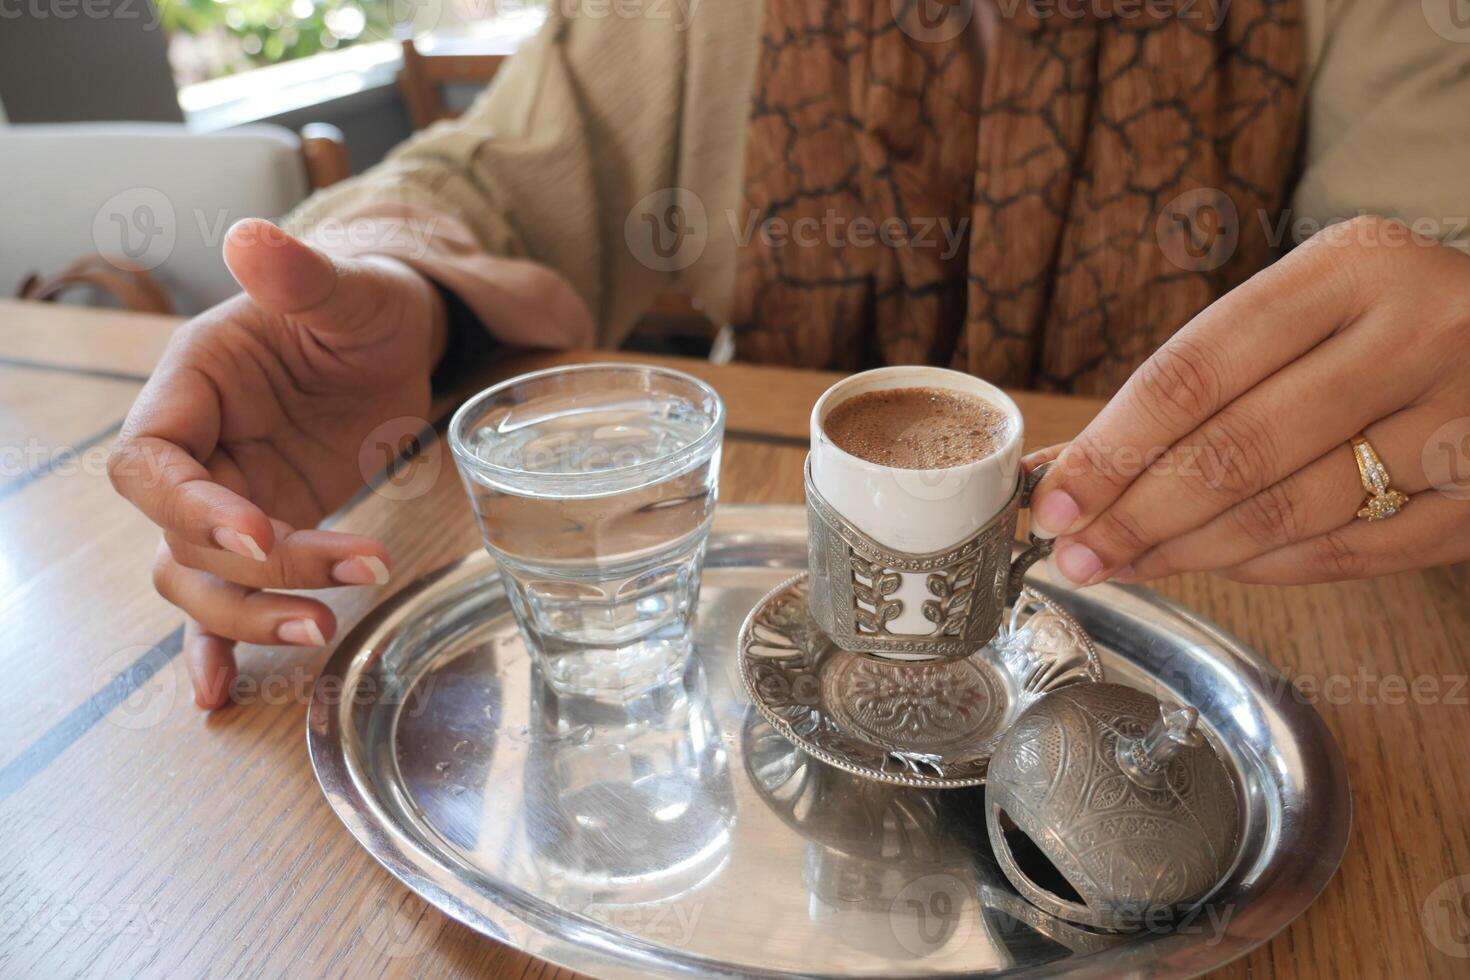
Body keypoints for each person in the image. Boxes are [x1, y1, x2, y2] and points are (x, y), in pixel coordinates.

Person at [110, 0, 1470, 708]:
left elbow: (1431, 251)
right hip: (759, 660)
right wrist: (397, 286)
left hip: (1239, 633)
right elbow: (494, 179)